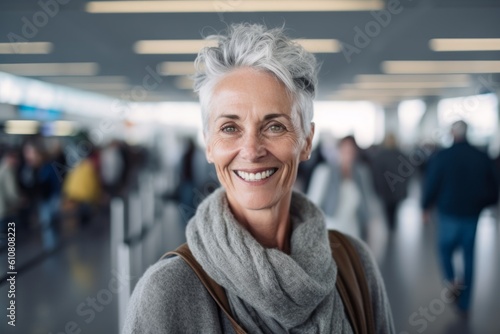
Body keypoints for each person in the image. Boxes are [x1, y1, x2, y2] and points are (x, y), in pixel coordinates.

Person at [124, 23, 394, 333]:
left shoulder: (355, 265)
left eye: (275, 126)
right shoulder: (168, 292)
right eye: (229, 128)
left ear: (306, 140)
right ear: (209, 144)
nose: (251, 150)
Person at [422, 120, 499, 314]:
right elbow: (493, 184)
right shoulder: (481, 157)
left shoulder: (442, 156)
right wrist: (483, 204)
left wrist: (425, 206)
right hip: (471, 214)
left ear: (452, 133)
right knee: (469, 256)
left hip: (448, 213)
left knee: (444, 250)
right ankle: (465, 302)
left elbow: (432, 182)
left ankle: (451, 281)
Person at [307, 135, 373, 239]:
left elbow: (367, 201)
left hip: (353, 230)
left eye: (351, 150)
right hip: (331, 229)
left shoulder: (360, 174)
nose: (348, 154)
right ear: (339, 150)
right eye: (345, 150)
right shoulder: (324, 172)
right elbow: (312, 203)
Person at [372, 134, 409, 231]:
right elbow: (407, 174)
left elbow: (376, 174)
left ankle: (390, 226)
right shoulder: (401, 155)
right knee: (394, 209)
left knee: (388, 210)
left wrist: (377, 188)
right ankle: (392, 226)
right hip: (396, 190)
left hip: (385, 190)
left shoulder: (380, 156)